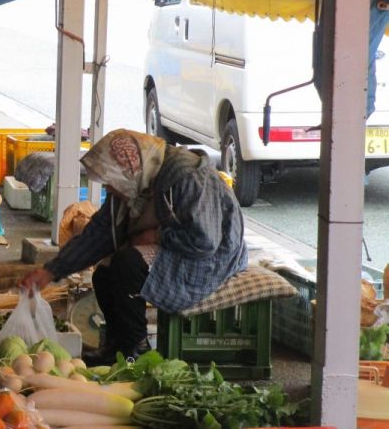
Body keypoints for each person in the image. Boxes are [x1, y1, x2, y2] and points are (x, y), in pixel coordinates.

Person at [20, 128, 248, 364]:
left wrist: (158, 236)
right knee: (103, 274)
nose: (108, 188)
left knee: (126, 264)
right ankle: (117, 345)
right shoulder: (133, 180)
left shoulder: (187, 177)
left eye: (109, 182)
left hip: (211, 256)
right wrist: (52, 270)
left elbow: (205, 240)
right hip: (182, 246)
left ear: (129, 168)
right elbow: (100, 233)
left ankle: (135, 347)